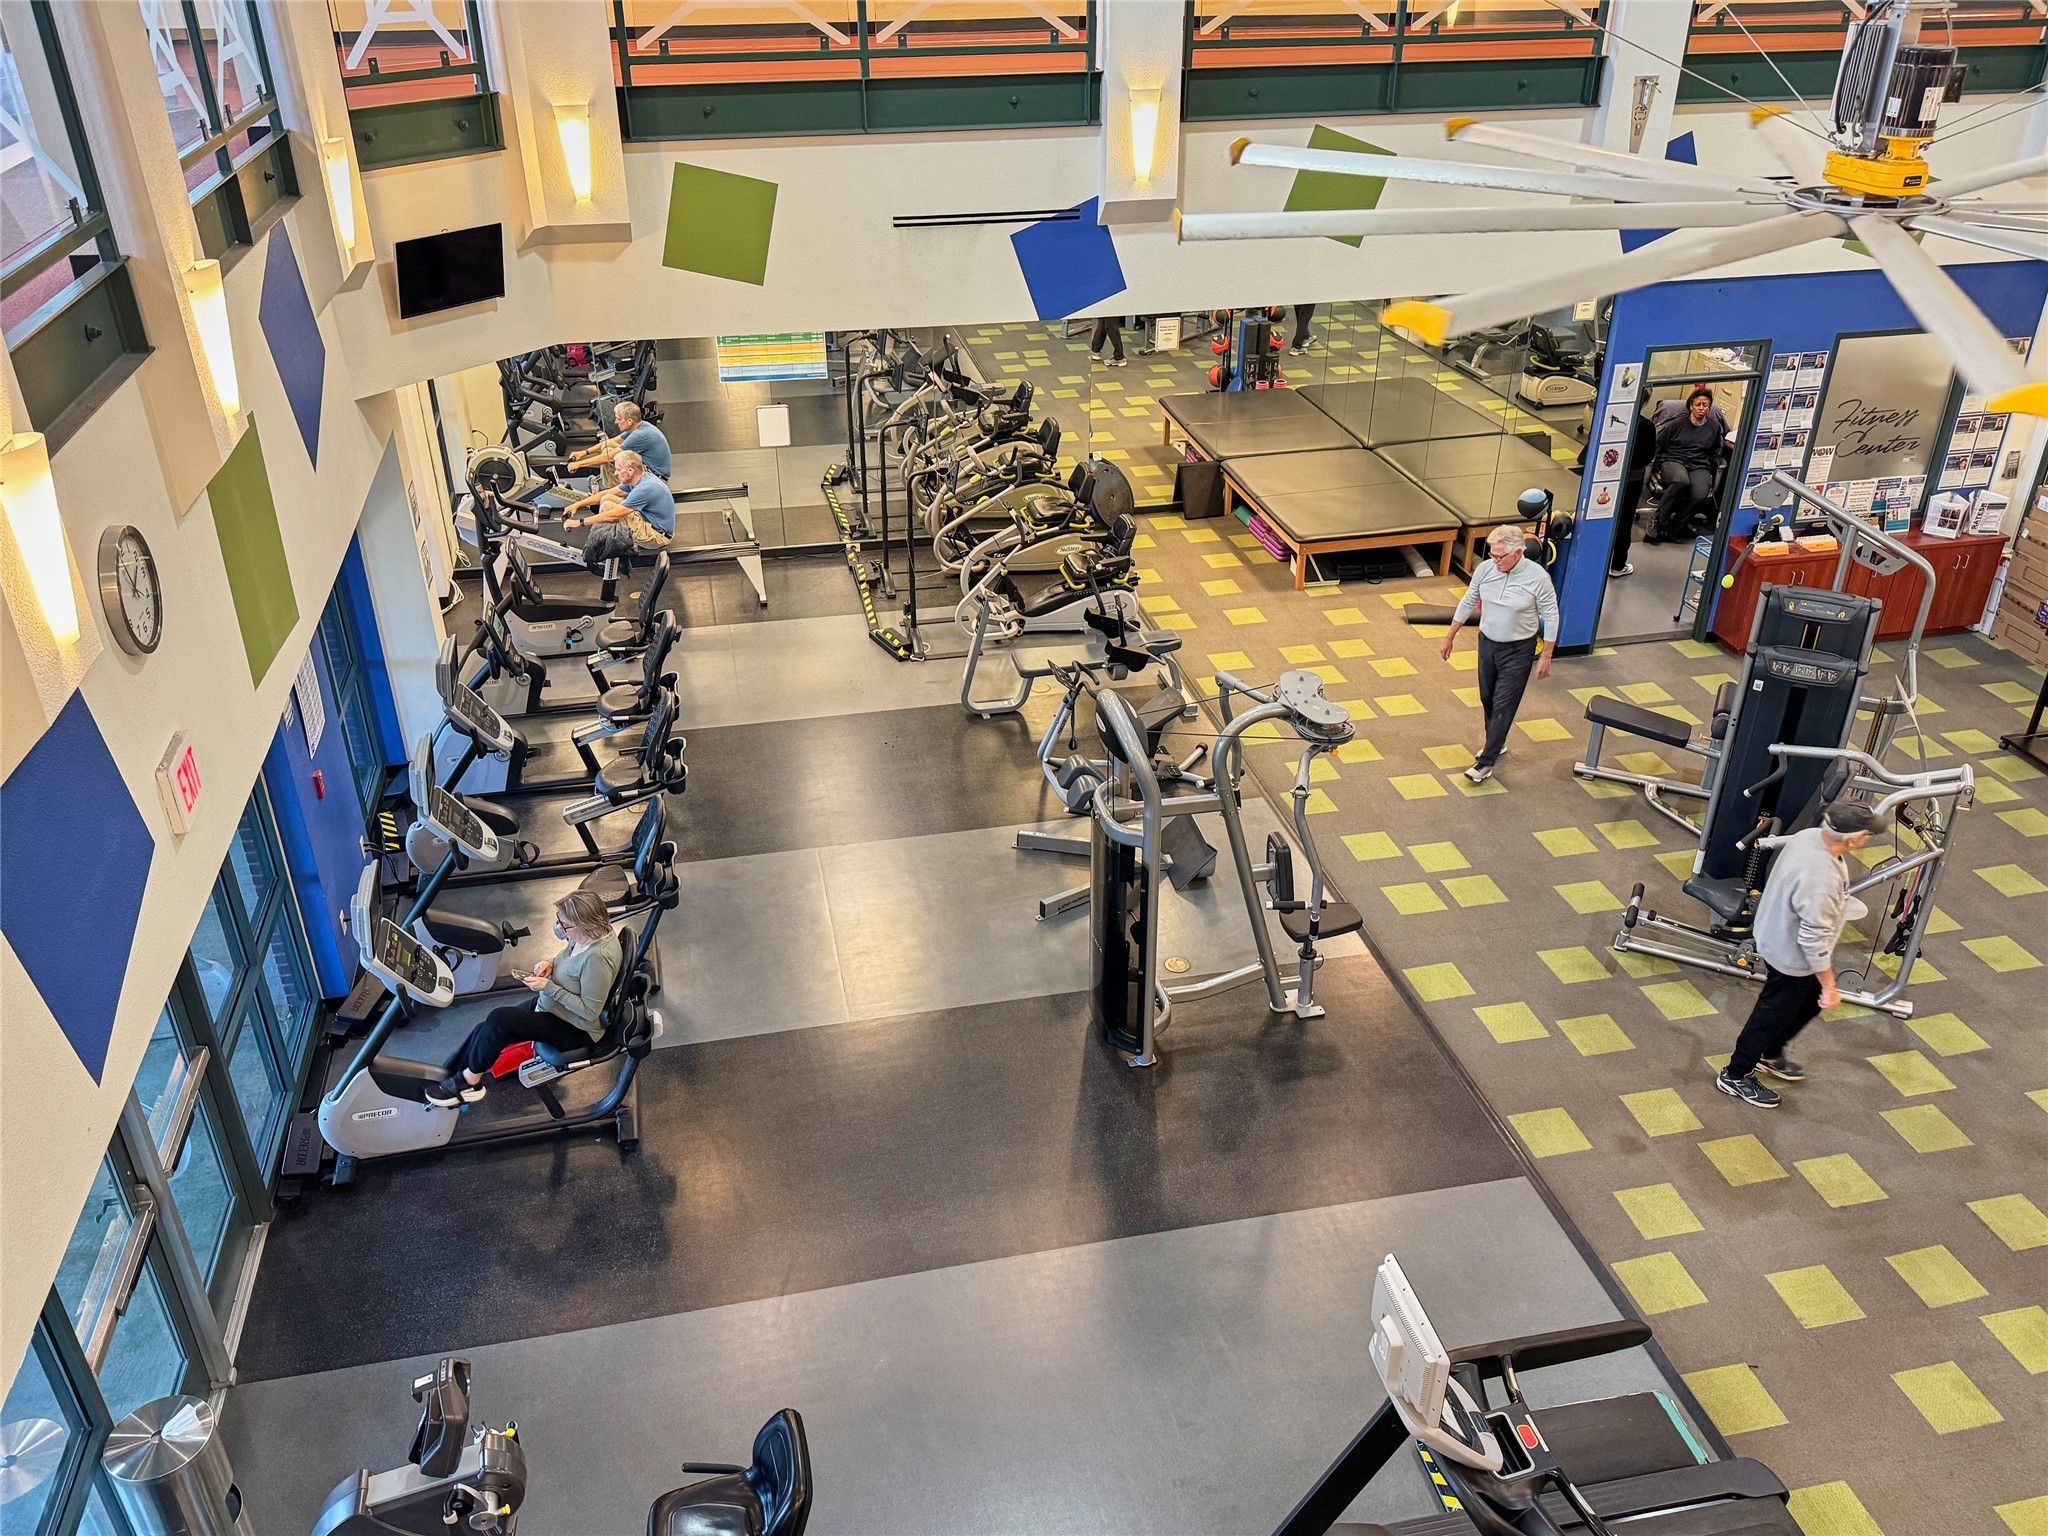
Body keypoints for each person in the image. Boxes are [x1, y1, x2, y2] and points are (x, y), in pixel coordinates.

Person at [1715, 803, 1887, 1108]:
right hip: (1791, 956)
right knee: (1772, 1014)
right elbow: (1812, 940)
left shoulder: (1809, 837)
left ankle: (1769, 1052)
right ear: (1854, 839)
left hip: (1776, 931)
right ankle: (1736, 1074)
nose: (1868, 838)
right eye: (1867, 833)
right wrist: (1830, 986)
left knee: (1808, 1002)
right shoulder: (1821, 879)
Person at [428, 891, 623, 1107]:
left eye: (564, 925)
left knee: (500, 1021)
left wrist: (548, 987)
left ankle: (469, 1083)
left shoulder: (598, 959)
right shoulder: (586, 936)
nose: (559, 928)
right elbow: (572, 962)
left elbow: (590, 1011)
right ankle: (453, 1069)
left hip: (576, 1028)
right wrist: (551, 964)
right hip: (555, 1007)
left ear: (583, 925)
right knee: (488, 1026)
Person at [1440, 523, 1559, 784]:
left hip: (1518, 650)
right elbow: (1469, 600)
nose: (1494, 561)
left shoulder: (1538, 578)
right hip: (1487, 644)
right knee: (1488, 698)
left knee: (1504, 704)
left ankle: (1486, 762)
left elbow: (1551, 615)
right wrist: (1450, 636)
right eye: (1492, 555)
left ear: (1518, 553)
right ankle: (1498, 740)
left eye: (1499, 557)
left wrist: (1547, 655)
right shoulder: (1486, 569)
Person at [1646, 386, 1729, 543]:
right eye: (1698, 404)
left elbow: (1715, 450)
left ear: (1709, 408)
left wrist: (1708, 468)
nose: (1701, 408)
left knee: (1700, 493)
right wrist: (1657, 466)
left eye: (1705, 405)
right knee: (1681, 481)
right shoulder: (1677, 424)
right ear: (1691, 406)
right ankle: (1657, 521)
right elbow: (1660, 444)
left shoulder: (1714, 427)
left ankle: (1675, 527)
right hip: (1674, 460)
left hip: (1699, 464)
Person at [563, 448, 673, 560]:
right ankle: (605, 539)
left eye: (619, 470)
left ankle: (601, 547)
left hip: (657, 537)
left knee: (608, 507)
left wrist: (579, 522)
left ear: (630, 471)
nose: (615, 473)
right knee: (607, 498)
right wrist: (577, 505)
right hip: (647, 521)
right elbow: (607, 493)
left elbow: (613, 515)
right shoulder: (640, 477)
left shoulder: (644, 489)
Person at [564, 399, 671, 481]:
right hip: (649, 467)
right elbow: (611, 441)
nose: (616, 422)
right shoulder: (640, 425)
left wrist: (579, 464)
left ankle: (615, 488)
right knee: (607, 445)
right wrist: (583, 453)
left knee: (612, 454)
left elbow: (608, 457)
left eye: (619, 419)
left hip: (655, 476)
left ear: (629, 421)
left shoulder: (639, 435)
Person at [1610, 404, 1657, 577]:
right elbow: (1649, 455)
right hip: (1632, 479)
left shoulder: (1609, 419)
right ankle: (1617, 565)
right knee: (1624, 521)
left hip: (1606, 477)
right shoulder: (1645, 426)